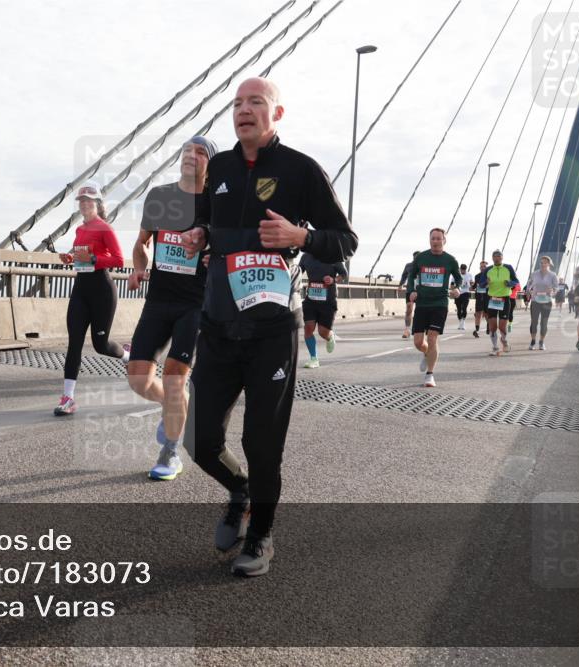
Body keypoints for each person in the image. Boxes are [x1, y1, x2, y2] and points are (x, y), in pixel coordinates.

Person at [180, 77, 357, 577]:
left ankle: (260, 535)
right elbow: (209, 226)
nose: (244, 110)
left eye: (256, 102)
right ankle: (239, 492)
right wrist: (200, 234)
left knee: (262, 442)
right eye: (237, 103)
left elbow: (345, 241)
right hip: (218, 324)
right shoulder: (220, 169)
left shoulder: (301, 169)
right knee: (198, 439)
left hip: (273, 330)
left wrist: (301, 234)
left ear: (276, 114)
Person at [126, 136, 216, 481]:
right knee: (138, 379)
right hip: (158, 300)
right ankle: (173, 410)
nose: (191, 157)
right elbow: (141, 242)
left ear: (209, 164)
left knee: (177, 378)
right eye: (187, 151)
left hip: (196, 303)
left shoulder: (212, 203)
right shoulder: (160, 196)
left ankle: (170, 453)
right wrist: (138, 266)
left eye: (200, 153)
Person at [55, 183, 130, 415]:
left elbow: (118, 260)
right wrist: (71, 256)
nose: (85, 204)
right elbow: (81, 255)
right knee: (74, 342)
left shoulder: (105, 228)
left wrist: (94, 258)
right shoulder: (80, 230)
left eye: (89, 200)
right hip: (80, 290)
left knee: (101, 346)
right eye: (81, 201)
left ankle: (129, 355)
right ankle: (68, 399)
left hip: (102, 291)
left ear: (97, 204)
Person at [406, 228, 462, 388]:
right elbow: (411, 276)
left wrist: (456, 288)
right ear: (429, 240)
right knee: (418, 342)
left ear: (444, 241)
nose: (435, 241)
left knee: (432, 338)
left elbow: (458, 278)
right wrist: (411, 291)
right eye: (433, 238)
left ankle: (429, 374)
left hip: (440, 303)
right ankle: (426, 353)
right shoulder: (421, 258)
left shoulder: (450, 260)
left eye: (438, 238)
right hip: (422, 303)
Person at [300, 252, 347, 368]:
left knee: (322, 332)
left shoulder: (334, 255)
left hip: (328, 300)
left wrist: (333, 280)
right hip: (311, 299)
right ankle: (314, 359)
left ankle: (330, 336)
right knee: (308, 328)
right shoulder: (306, 256)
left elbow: (343, 274)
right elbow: (297, 271)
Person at [484, 250, 519, 356]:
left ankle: (504, 340)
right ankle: (495, 347)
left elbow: (516, 282)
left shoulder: (508, 268)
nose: (497, 258)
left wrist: (509, 283)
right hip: (492, 299)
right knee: (493, 326)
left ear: (502, 257)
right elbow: (481, 284)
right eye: (494, 256)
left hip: (505, 299)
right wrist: (486, 282)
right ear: (492, 258)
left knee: (502, 327)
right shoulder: (488, 269)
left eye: (499, 256)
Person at [525, 256, 559, 350]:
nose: (543, 264)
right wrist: (528, 291)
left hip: (547, 302)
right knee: (534, 322)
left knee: (544, 323)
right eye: (541, 262)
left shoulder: (553, 275)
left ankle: (541, 342)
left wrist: (552, 291)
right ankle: (532, 341)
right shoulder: (534, 274)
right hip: (535, 301)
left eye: (545, 262)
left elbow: (556, 288)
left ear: (549, 264)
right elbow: (529, 284)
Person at [399, 251, 421, 338]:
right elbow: (404, 275)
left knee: (420, 311)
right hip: (410, 290)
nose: (416, 259)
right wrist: (401, 284)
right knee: (409, 309)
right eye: (415, 257)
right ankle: (407, 329)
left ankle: (419, 329)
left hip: (421, 291)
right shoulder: (408, 266)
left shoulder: (424, 266)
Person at [453, 263, 474, 330]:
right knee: (459, 309)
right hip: (458, 293)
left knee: (464, 307)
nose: (463, 271)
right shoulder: (456, 275)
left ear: (466, 269)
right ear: (460, 269)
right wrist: (453, 288)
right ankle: (460, 322)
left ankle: (463, 322)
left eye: (464, 270)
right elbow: (452, 283)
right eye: (462, 270)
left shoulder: (469, 274)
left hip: (466, 292)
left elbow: (472, 283)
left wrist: (471, 284)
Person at [472, 260, 489, 338]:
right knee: (478, 314)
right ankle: (477, 330)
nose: (482, 268)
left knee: (486, 314)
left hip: (487, 297)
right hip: (479, 297)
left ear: (486, 267)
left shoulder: (489, 276)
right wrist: (472, 286)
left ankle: (488, 326)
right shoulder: (477, 276)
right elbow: (474, 286)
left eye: (484, 266)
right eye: (481, 266)